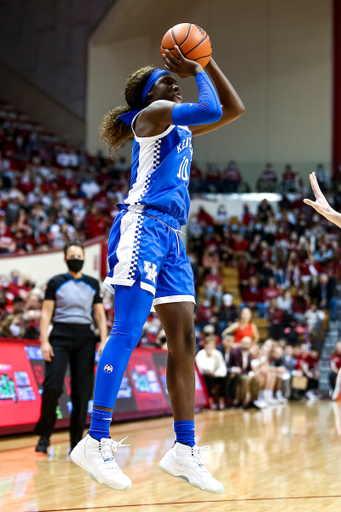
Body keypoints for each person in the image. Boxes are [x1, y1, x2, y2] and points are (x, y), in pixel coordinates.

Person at [70, 46, 245, 493]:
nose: (174, 82)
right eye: (165, 81)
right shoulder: (156, 114)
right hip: (142, 225)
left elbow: (233, 109)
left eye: (176, 80)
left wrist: (210, 63)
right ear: (149, 96)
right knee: (127, 329)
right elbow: (208, 106)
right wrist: (200, 62)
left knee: (183, 337)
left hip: (171, 236)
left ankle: (183, 449)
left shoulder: (178, 126)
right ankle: (95, 439)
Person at [34, 241, 107, 454]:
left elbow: (100, 315)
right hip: (60, 336)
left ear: (84, 258)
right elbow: (47, 313)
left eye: (79, 254)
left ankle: (76, 442)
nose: (76, 258)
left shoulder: (93, 283)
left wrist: (103, 340)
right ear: (65, 259)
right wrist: (44, 340)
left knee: (82, 393)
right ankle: (44, 435)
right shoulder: (55, 282)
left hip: (85, 337)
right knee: (53, 386)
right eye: (72, 254)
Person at [195, 338, 227, 410]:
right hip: (204, 376)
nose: (209, 347)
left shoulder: (217, 354)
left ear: (214, 346)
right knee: (209, 379)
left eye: (211, 345)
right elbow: (199, 367)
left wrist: (215, 373)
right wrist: (208, 371)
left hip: (215, 375)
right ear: (205, 346)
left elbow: (222, 367)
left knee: (224, 379)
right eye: (208, 345)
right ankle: (210, 401)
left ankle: (221, 401)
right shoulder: (200, 354)